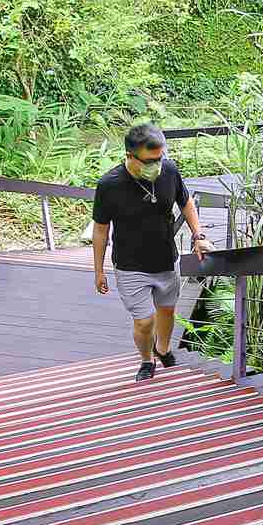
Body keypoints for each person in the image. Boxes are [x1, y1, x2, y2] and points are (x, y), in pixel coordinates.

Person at [92, 123, 211, 381]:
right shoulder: (109, 185)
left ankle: (163, 348)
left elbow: (186, 202)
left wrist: (198, 236)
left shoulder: (169, 171)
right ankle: (147, 361)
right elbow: (101, 230)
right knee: (145, 321)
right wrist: (99, 270)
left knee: (167, 311)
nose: (156, 165)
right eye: (149, 161)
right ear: (129, 156)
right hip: (130, 265)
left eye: (159, 158)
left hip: (166, 259)